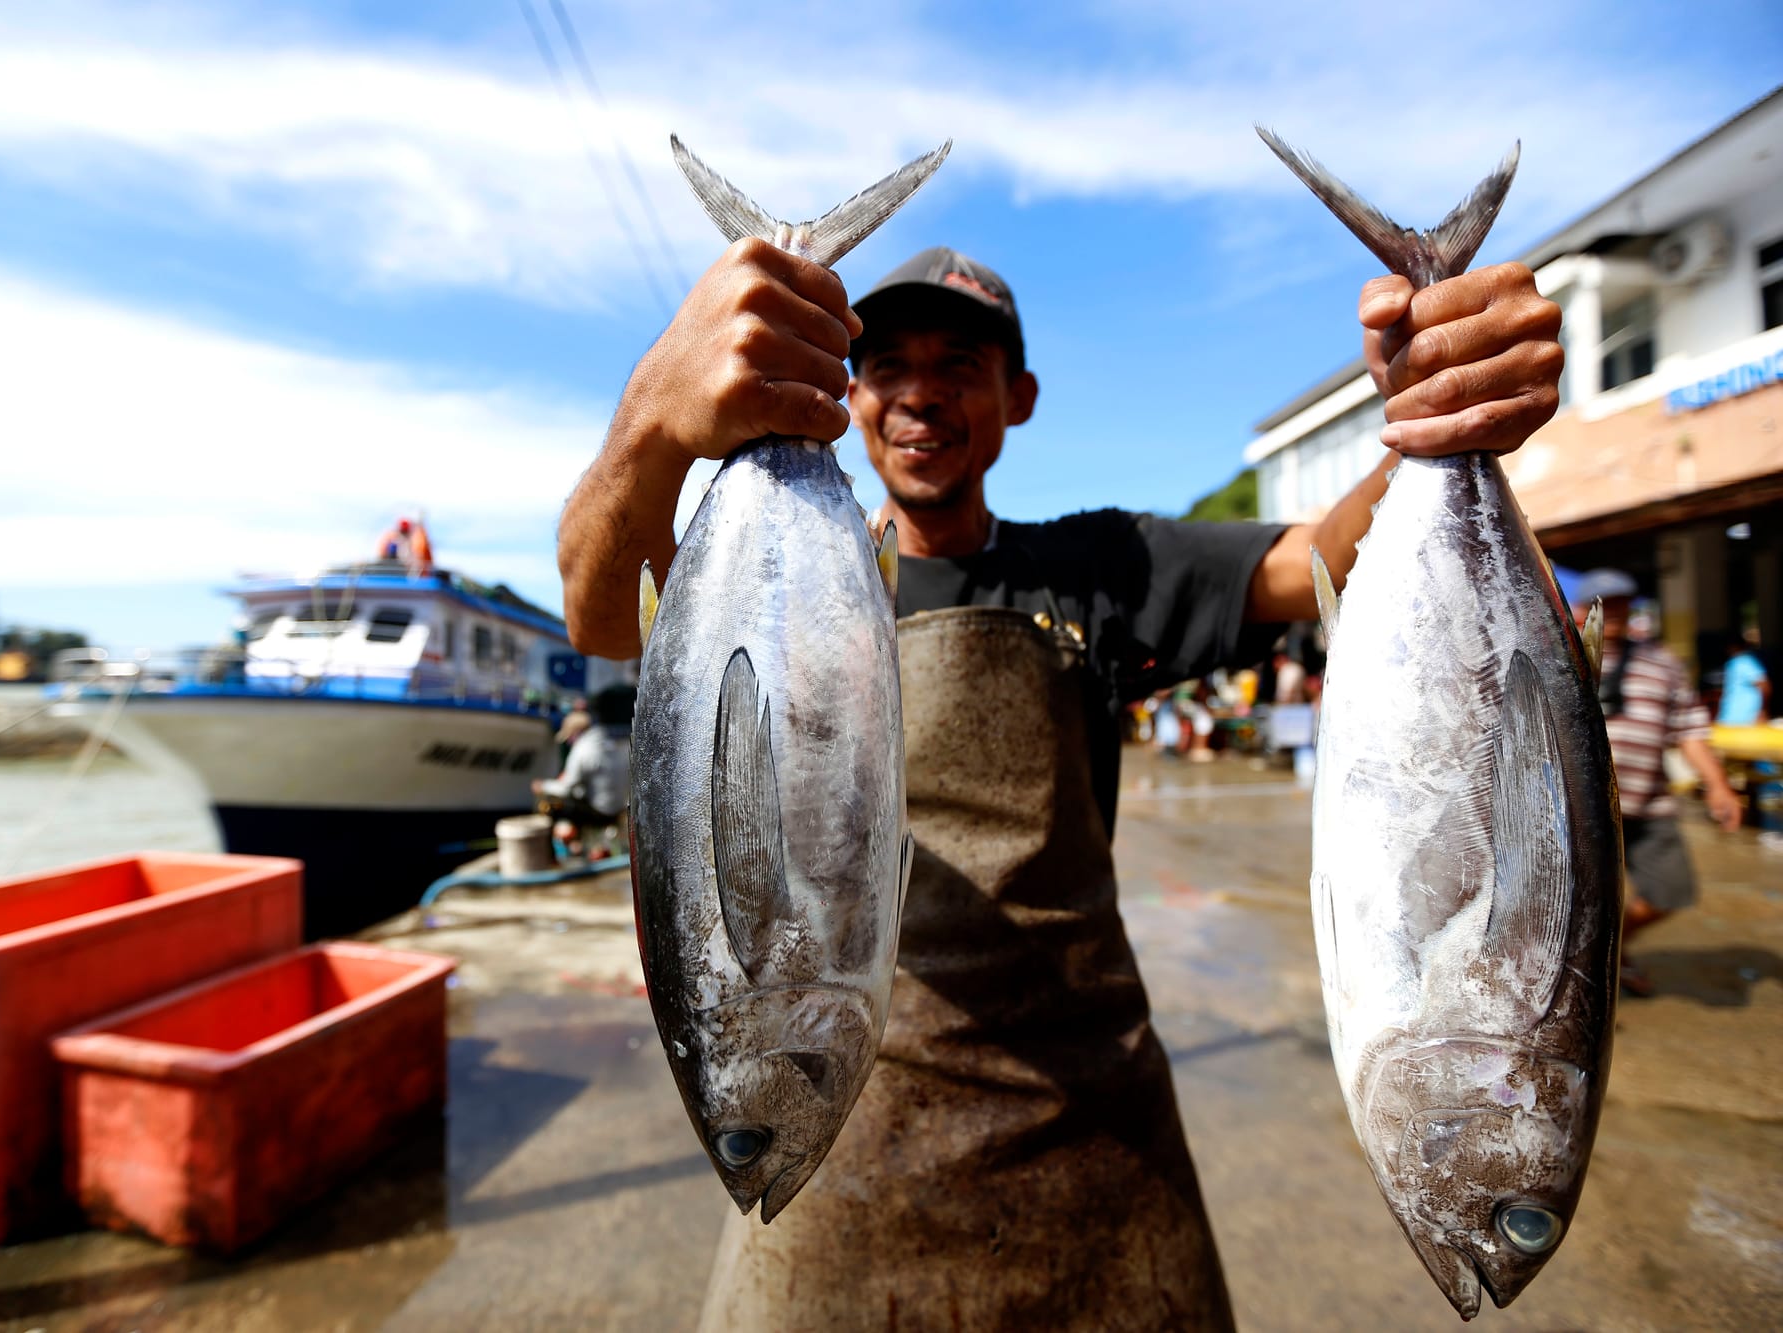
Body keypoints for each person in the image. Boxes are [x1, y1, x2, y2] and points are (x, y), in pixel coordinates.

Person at [557, 234, 1563, 1328]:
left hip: (1096, 1133)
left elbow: (1315, 557)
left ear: (1018, 397)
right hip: (832, 1124)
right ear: (849, 393)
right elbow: (603, 616)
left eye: (960, 366)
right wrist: (655, 414)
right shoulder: (767, 580)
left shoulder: (1096, 570)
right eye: (888, 366)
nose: (920, 395)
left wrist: (1436, 411)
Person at [1570, 570, 1744, 998]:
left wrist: (1718, 785)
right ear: (1579, 609)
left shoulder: (1662, 662)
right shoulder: (1560, 657)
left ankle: (1610, 950)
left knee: (1670, 891)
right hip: (1576, 811)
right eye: (1601, 604)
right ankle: (1583, 975)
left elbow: (1690, 730)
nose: (1612, 613)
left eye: (1620, 603)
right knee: (1566, 905)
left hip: (1648, 805)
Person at [531, 685, 634, 849]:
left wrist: (542, 786)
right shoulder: (621, 741)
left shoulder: (583, 748)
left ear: (574, 734)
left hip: (600, 812)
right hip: (623, 808)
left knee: (545, 802)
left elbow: (566, 788)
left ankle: (557, 850)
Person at [1719, 629, 1770, 726]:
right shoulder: (1733, 663)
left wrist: (1762, 710)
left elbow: (1764, 686)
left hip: (1745, 719)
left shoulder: (1745, 662)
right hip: (1731, 718)